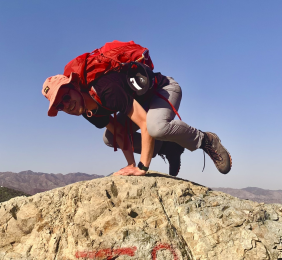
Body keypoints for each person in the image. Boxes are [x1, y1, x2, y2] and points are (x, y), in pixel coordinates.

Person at [42, 59, 232, 177]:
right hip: (142, 105)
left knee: (155, 126)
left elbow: (144, 123)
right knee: (108, 138)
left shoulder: (105, 89)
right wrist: (130, 164)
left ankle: (206, 139)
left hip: (163, 91)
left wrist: (142, 167)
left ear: (74, 86)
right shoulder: (88, 111)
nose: (66, 105)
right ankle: (169, 147)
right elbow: (120, 132)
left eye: (65, 97)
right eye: (60, 105)